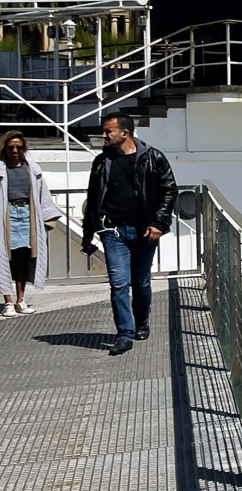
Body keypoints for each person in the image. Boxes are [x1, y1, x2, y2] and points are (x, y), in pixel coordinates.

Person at [81, 113, 178, 355]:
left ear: (125, 133)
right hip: (112, 230)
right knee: (119, 283)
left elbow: (169, 191)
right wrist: (89, 231)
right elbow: (93, 198)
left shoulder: (153, 157)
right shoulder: (102, 162)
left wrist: (158, 223)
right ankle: (124, 334)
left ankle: (141, 321)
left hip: (145, 231)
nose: (104, 135)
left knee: (141, 283)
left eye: (108, 131)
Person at [0, 131, 62, 316]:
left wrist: (48, 218)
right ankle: (8, 302)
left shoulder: (32, 168)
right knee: (4, 258)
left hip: (28, 215)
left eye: (18, 147)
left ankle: (20, 300)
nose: (14, 151)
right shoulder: (1, 168)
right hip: (7, 215)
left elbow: (42, 193)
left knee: (23, 257)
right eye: (11, 147)